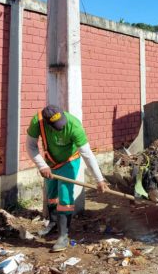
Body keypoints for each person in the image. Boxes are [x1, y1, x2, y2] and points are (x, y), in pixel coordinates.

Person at [26, 104, 108, 252]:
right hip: (50, 160)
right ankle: (53, 223)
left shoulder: (74, 125)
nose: (62, 127)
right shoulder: (37, 122)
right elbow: (31, 146)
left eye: (62, 123)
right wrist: (42, 165)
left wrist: (99, 179)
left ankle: (63, 236)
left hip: (69, 160)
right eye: (57, 126)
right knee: (51, 193)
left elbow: (87, 154)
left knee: (64, 193)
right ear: (46, 122)